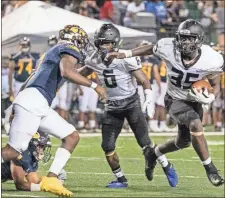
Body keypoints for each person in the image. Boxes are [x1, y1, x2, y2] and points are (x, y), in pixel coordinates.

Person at [106, 19, 224, 187]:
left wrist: (211, 96)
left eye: (190, 38)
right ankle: (210, 169)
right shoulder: (168, 47)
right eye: (183, 37)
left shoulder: (211, 58)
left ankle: (153, 153)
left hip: (194, 101)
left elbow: (216, 84)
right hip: (174, 99)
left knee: (183, 142)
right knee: (196, 125)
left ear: (199, 40)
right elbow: (151, 48)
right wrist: (125, 54)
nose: (185, 42)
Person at [1, 25, 107, 197]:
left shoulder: (54, 52)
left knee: (71, 136)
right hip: (34, 102)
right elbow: (67, 72)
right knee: (13, 150)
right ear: (74, 40)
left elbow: (72, 73)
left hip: (36, 102)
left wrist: (92, 66)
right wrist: (96, 87)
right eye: (80, 41)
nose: (81, 45)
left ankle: (52, 179)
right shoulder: (68, 47)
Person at [78, 23, 178, 188]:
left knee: (145, 142)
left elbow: (144, 79)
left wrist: (148, 98)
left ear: (115, 43)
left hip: (131, 103)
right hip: (112, 107)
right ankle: (121, 179)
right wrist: (61, 71)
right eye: (101, 43)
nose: (104, 46)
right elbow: (80, 74)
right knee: (107, 146)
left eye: (107, 43)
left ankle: (167, 165)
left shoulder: (125, 57)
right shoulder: (93, 59)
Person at [2, 132, 67, 190]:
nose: (42, 151)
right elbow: (21, 185)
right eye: (41, 146)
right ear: (32, 144)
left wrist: (56, 182)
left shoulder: (30, 158)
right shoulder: (18, 154)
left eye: (43, 147)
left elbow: (35, 182)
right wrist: (43, 187)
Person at [8, 37, 40, 101]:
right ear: (20, 46)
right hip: (18, 83)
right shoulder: (14, 57)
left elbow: (38, 71)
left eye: (26, 45)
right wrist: (10, 88)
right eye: (23, 45)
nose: (24, 47)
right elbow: (10, 73)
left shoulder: (35, 56)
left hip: (30, 84)